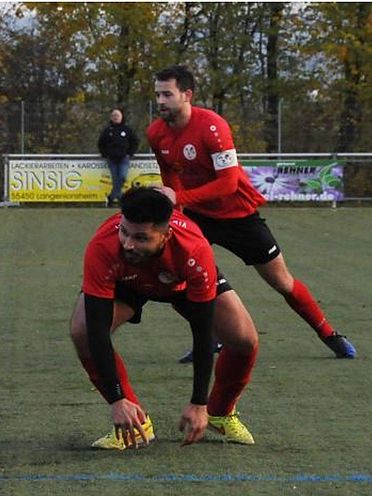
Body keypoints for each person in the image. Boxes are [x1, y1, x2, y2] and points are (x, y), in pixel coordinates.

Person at [147, 65, 356, 361]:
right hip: (198, 216)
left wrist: (179, 197)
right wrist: (177, 210)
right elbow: (169, 172)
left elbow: (228, 183)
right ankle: (210, 338)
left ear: (187, 95)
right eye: (157, 95)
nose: (161, 101)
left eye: (167, 94)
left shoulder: (212, 127)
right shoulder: (156, 132)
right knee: (174, 274)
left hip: (239, 216)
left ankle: (329, 334)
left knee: (282, 283)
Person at [70, 188, 259, 449]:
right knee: (82, 331)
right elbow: (97, 331)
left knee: (244, 339)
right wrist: (117, 399)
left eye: (140, 238)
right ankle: (135, 423)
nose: (127, 243)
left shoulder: (195, 250)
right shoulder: (103, 246)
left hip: (182, 284)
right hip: (127, 283)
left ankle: (220, 413)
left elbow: (203, 332)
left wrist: (199, 402)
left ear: (165, 235)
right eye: (124, 232)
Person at [97, 107, 139, 207]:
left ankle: (111, 197)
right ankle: (121, 200)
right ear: (111, 117)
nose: (116, 117)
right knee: (116, 180)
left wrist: (130, 153)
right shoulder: (107, 130)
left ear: (121, 117)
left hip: (124, 158)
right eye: (114, 116)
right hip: (111, 159)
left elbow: (135, 142)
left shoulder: (127, 129)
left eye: (117, 115)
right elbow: (101, 143)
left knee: (122, 178)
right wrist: (105, 154)